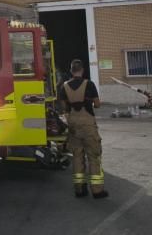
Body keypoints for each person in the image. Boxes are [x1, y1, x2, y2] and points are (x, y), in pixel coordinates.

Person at [57, 59, 108, 199]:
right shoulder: (89, 84)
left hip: (73, 124)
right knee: (94, 156)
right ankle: (97, 191)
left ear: (71, 71)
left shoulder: (64, 87)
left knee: (77, 157)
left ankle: (79, 190)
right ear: (82, 70)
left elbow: (64, 107)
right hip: (88, 124)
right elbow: (97, 105)